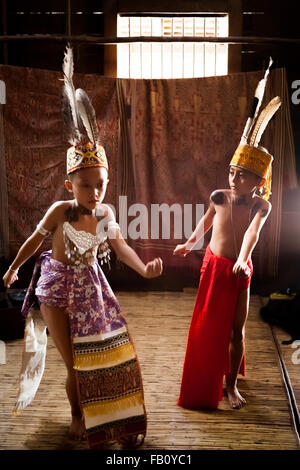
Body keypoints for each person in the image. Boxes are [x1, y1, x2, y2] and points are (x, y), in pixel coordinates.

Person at [2, 47, 162, 449]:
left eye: (100, 184)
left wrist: (143, 270)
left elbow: (121, 246)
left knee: (102, 355)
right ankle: (77, 415)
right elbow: (34, 241)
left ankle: (112, 414)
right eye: (86, 184)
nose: (94, 191)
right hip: (56, 290)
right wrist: (12, 269)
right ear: (69, 183)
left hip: (91, 287)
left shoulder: (105, 212)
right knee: (74, 361)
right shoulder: (61, 210)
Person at [174, 73, 281, 410]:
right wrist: (191, 242)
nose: (234, 178)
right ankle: (208, 375)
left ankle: (231, 385)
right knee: (209, 326)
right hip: (214, 266)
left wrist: (242, 259)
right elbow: (206, 222)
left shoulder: (260, 204)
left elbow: (252, 232)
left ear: (258, 180)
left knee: (237, 330)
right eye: (232, 171)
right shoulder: (219, 195)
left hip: (238, 270)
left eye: (242, 174)